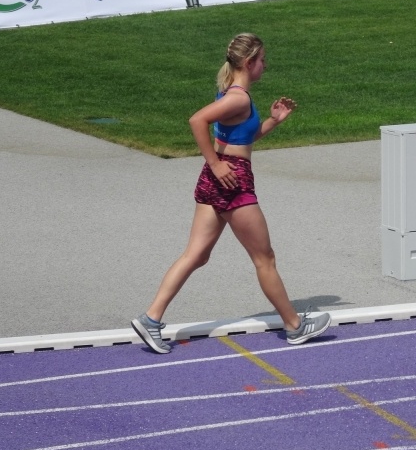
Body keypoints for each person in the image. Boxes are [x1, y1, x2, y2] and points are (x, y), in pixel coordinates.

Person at [131, 33, 331, 354]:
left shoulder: (231, 93)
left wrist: (273, 121)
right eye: (263, 60)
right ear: (249, 63)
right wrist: (215, 162)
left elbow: (242, 139)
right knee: (264, 258)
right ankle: (295, 326)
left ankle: (151, 318)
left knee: (196, 254)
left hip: (216, 178)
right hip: (232, 180)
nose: (266, 66)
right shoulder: (237, 98)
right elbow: (197, 120)